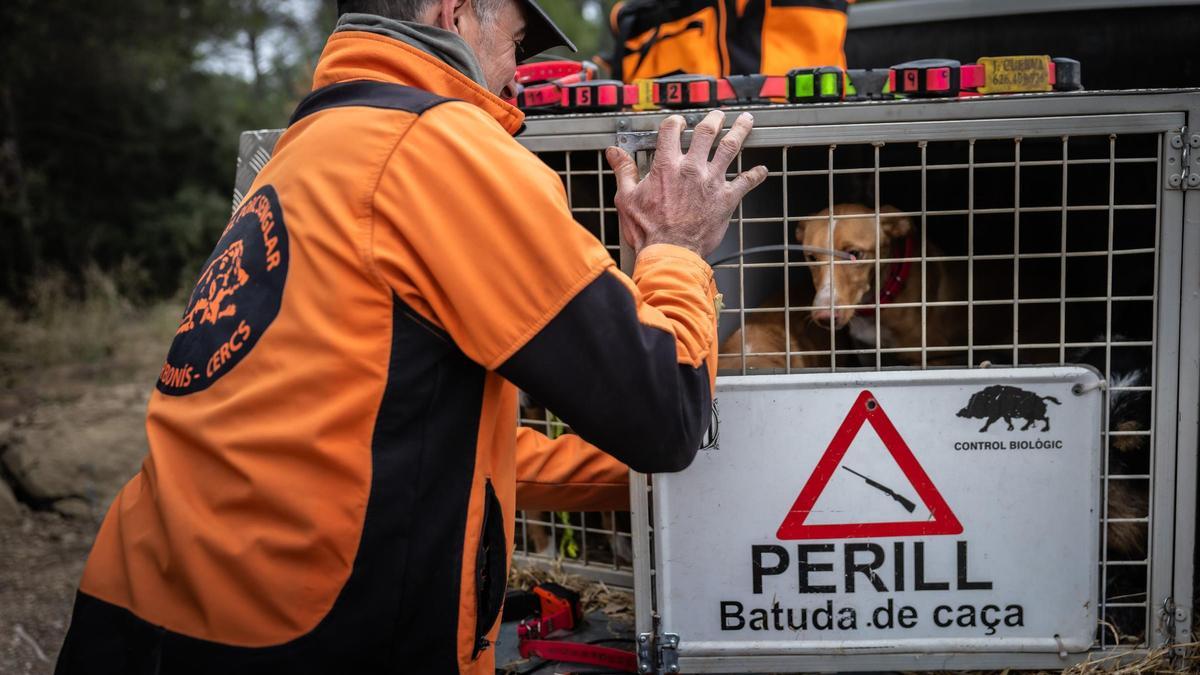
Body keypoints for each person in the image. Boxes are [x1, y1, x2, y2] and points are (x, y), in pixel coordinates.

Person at [54, 0, 767, 673]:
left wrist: (680, 474)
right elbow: (663, 409)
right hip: (291, 637)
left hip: (134, 606)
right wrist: (674, 248)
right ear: (452, 14)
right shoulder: (440, 147)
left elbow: (397, 432)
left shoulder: (308, 149)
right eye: (517, 45)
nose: (518, 77)